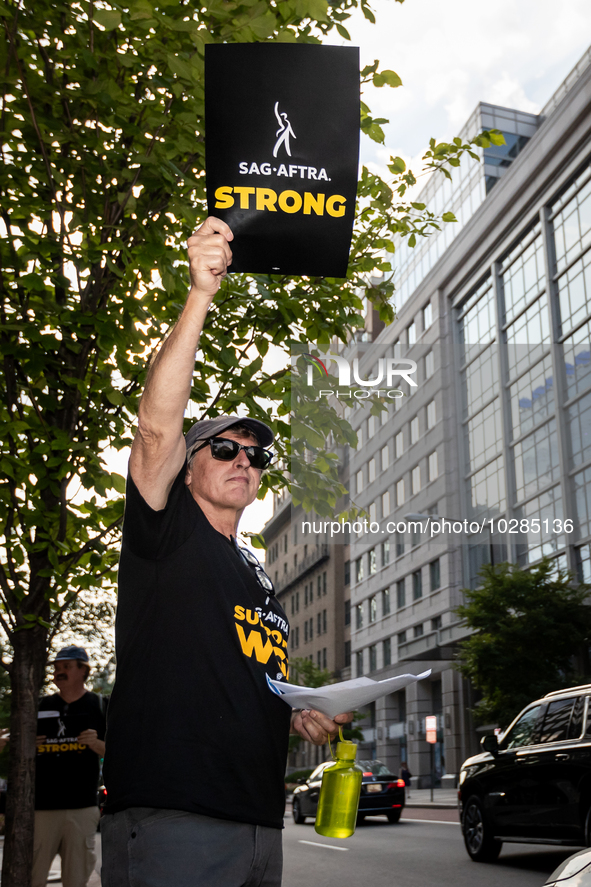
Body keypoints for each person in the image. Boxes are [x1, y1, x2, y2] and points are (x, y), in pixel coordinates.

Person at [100, 216, 352, 887]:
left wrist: (298, 713)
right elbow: (156, 426)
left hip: (258, 823)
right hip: (173, 820)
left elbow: (245, 683)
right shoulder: (167, 531)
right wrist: (199, 295)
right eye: (223, 447)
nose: (243, 458)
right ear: (187, 468)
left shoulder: (258, 577)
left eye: (256, 453)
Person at [34, 645, 107, 887]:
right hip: (42, 807)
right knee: (32, 878)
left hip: (82, 807)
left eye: (66, 666)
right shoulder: (39, 706)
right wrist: (30, 746)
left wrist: (96, 743)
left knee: (76, 880)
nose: (59, 672)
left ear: (83, 670)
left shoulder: (100, 705)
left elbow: (118, 752)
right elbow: (21, 755)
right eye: (56, 668)